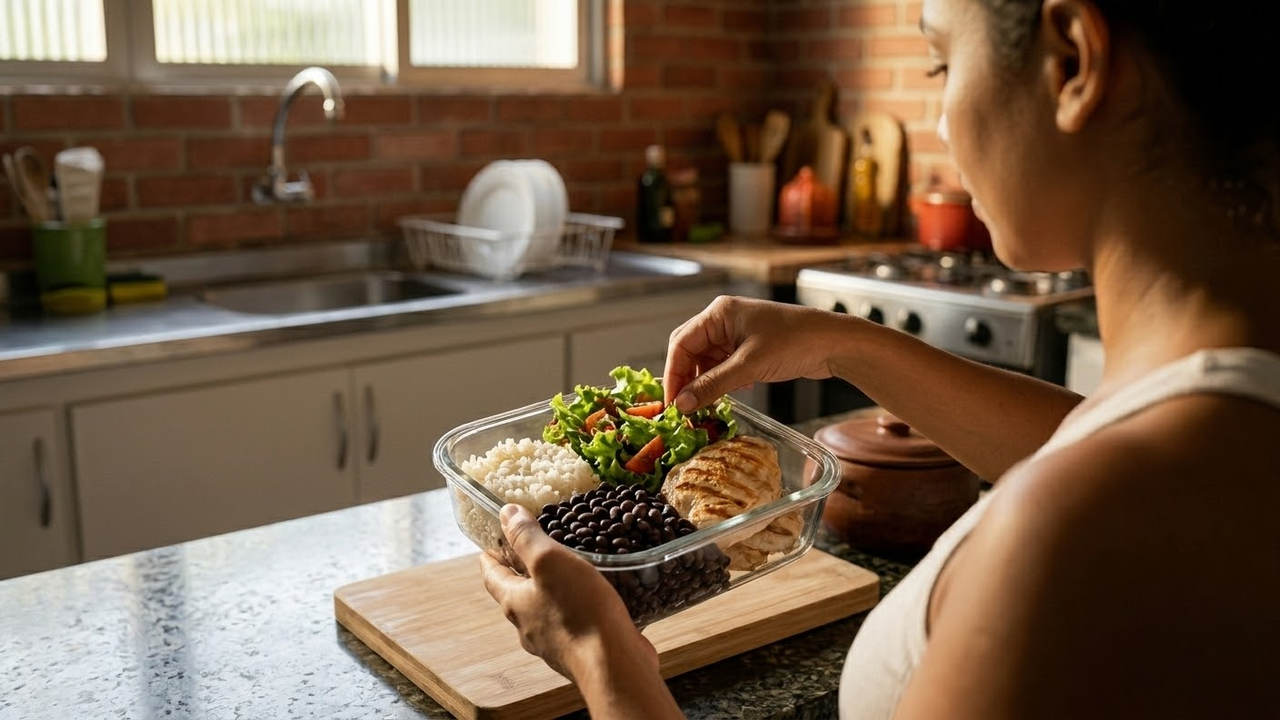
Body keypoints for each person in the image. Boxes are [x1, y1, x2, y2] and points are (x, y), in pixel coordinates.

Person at [480, 0, 1280, 716]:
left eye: (940, 61)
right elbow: (1088, 439)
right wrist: (843, 342)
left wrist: (600, 656)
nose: (938, 121)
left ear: (1071, 62)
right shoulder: (1224, 411)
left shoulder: (1062, 540)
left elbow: (1092, 489)